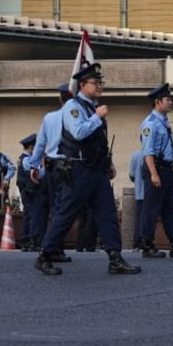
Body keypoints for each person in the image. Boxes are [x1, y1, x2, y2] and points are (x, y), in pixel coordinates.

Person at [34, 62, 142, 276]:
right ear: (82, 85)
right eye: (95, 82)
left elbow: (97, 141)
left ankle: (115, 258)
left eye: (101, 82)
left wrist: (108, 162)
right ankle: (45, 255)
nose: (100, 86)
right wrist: (97, 117)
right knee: (66, 213)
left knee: (107, 214)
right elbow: (79, 133)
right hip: (78, 170)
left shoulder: (91, 107)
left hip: (96, 170)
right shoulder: (73, 107)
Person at [137, 83, 173, 259]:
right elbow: (148, 151)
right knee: (151, 208)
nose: (171, 102)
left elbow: (161, 147)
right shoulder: (151, 123)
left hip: (166, 169)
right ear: (158, 102)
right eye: (168, 99)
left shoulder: (164, 122)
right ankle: (147, 244)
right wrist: (154, 174)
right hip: (156, 169)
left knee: (170, 208)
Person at [27, 83, 75, 263]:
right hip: (72, 167)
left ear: (60, 98)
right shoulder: (77, 117)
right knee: (66, 209)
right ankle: (53, 248)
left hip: (53, 166)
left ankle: (54, 247)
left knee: (57, 208)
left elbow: (40, 144)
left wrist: (34, 166)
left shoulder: (50, 117)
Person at [16, 133, 47, 252]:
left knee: (28, 215)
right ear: (31, 147)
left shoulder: (24, 158)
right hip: (31, 191)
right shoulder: (27, 160)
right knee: (34, 216)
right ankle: (32, 240)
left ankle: (27, 240)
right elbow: (38, 174)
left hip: (28, 191)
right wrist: (44, 165)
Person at [128, 148, 146, 250]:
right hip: (150, 193)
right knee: (148, 218)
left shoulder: (135, 155)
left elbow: (131, 175)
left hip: (139, 193)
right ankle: (145, 241)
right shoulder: (153, 154)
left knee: (139, 218)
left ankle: (137, 243)